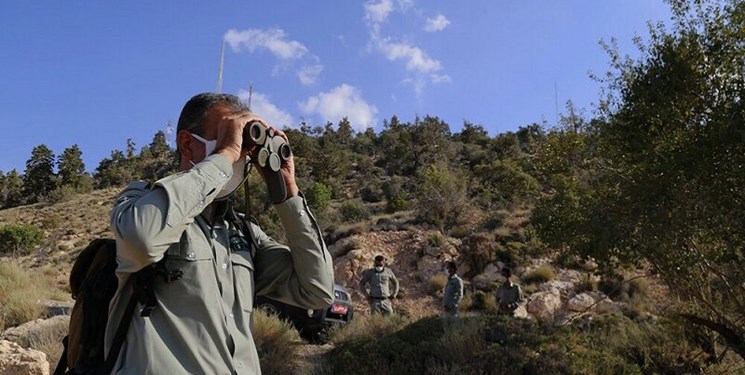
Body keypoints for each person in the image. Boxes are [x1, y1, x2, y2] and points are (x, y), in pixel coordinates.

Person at [104, 93, 335, 374]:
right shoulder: (141, 202)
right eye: (228, 134)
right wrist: (225, 155)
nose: (240, 152)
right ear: (188, 144)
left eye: (242, 143)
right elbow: (142, 240)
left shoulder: (242, 234)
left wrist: (287, 193)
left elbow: (317, 291)